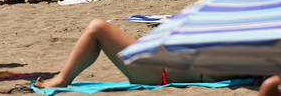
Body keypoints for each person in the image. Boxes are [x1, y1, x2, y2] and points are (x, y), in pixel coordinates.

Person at [34, 18, 215, 90]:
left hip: (158, 70)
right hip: (159, 64)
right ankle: (63, 78)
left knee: (97, 28)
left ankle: (62, 79)